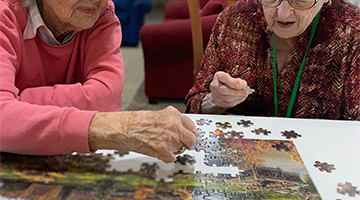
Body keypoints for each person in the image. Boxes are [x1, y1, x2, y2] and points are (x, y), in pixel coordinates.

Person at [0, 0, 197, 163]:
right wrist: (117, 129)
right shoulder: (4, 14)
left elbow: (106, 101)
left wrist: (18, 104)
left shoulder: (101, 16)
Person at [185, 0, 360, 120]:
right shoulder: (234, 19)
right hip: (242, 157)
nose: (283, 14)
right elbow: (193, 108)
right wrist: (215, 102)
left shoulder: (353, 32)